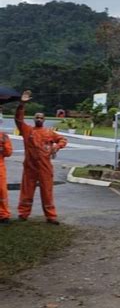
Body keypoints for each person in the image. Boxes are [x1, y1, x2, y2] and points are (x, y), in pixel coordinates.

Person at [15, 90, 67, 223]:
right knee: (26, 191)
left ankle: (51, 216)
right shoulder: (28, 131)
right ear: (33, 119)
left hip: (45, 167)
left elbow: (62, 140)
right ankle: (23, 214)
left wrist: (56, 147)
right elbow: (18, 120)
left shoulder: (49, 133)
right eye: (36, 117)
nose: (39, 119)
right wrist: (22, 104)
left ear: (44, 120)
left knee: (47, 192)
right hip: (30, 167)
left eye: (41, 117)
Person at [0, 124, 13, 223]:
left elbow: (8, 153)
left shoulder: (3, 136)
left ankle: (4, 215)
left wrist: (3, 147)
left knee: (2, 191)